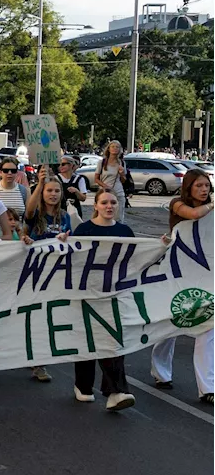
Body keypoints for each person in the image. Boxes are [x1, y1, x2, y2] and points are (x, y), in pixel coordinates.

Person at [150, 169, 215, 400]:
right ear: (188, 187)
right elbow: (194, 214)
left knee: (208, 328)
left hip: (206, 276)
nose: (204, 189)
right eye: (198, 185)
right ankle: (161, 372)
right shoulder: (177, 203)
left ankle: (207, 388)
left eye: (206, 185)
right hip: (177, 273)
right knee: (170, 325)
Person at [70, 190, 137, 411]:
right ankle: (83, 385)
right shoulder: (85, 230)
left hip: (114, 294)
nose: (109, 206)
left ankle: (115, 391)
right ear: (95, 206)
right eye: (104, 202)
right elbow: (73, 259)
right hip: (87, 293)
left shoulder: (124, 231)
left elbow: (135, 259)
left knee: (112, 340)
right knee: (88, 340)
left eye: (113, 202)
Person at [21, 173, 75, 383]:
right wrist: (40, 183)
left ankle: (39, 360)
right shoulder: (36, 215)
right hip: (35, 272)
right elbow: (29, 210)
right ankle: (33, 358)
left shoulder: (65, 216)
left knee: (47, 317)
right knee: (33, 316)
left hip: (56, 273)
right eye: (49, 191)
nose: (53, 194)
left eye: (56, 191)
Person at [94, 140, 129, 222]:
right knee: (102, 217)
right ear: (108, 149)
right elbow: (96, 179)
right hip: (103, 193)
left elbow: (123, 181)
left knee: (118, 218)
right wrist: (105, 186)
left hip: (118, 193)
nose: (115, 148)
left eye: (117, 147)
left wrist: (122, 174)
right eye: (113, 146)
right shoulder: (102, 162)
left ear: (120, 150)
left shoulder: (122, 163)